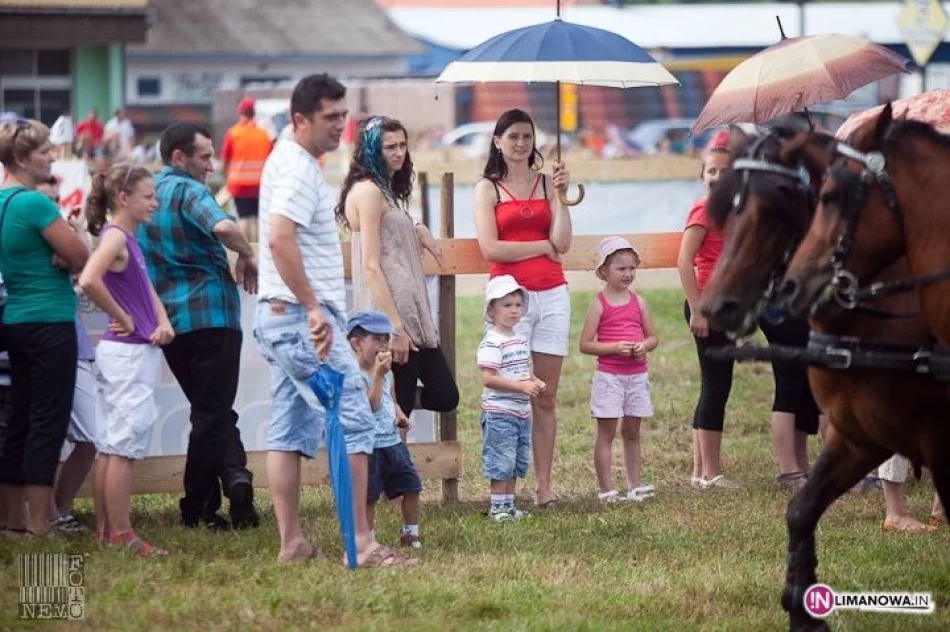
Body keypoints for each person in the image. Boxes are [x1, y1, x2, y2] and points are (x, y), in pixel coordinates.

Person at [254, 73, 416, 567]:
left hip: (278, 317)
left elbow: (277, 238)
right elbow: (281, 238)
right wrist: (311, 307)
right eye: (330, 117)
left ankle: (292, 544)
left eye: (344, 115)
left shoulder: (284, 156)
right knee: (357, 420)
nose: (340, 125)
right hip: (303, 321)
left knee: (286, 430)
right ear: (300, 118)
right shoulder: (300, 169)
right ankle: (363, 546)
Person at [138, 122, 259, 531]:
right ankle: (197, 507)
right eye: (205, 156)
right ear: (179, 158)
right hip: (212, 315)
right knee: (212, 415)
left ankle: (234, 479)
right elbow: (224, 226)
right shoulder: (190, 191)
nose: (212, 164)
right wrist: (247, 254)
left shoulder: (147, 194)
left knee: (210, 411)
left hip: (169, 321)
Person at [473, 108, 572, 508]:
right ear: (498, 142)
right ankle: (503, 487)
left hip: (552, 295)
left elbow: (562, 242)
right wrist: (541, 246)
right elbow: (491, 248)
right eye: (512, 136)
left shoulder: (548, 183)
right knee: (511, 393)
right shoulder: (488, 188)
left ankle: (544, 486)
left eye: (527, 137)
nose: (520, 143)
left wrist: (562, 198)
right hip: (510, 299)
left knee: (544, 395)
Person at [0, 119, 89, 538]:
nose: (53, 156)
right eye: (45, 151)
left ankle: (13, 521)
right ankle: (40, 524)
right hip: (49, 320)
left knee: (19, 420)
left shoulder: (3, 201)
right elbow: (82, 255)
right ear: (21, 158)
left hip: (15, 319)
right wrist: (68, 241)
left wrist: (61, 249)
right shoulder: (36, 204)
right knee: (46, 423)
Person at [78, 164, 173, 556]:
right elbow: (88, 279)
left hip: (132, 351)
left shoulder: (124, 238)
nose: (155, 202)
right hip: (129, 355)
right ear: (124, 199)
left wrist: (161, 318)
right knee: (122, 447)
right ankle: (120, 533)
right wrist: (121, 316)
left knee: (112, 445)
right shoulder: (116, 238)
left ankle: (107, 531)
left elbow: (144, 286)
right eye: (148, 196)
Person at [337, 116, 458, 418]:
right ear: (370, 151)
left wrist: (417, 226)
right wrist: (394, 328)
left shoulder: (384, 189)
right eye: (390, 147)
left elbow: (388, 229)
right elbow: (370, 265)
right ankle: (379, 423)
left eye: (402, 145)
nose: (399, 152)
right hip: (391, 312)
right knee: (399, 406)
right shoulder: (367, 191)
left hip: (413, 310)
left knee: (444, 394)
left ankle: (378, 404)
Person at [36, 176, 98, 534]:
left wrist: (75, 236)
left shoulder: (66, 237)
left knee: (92, 437)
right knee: (43, 436)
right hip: (36, 342)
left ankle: (59, 509)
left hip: (74, 345)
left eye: (56, 200)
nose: (54, 209)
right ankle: (44, 516)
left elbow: (87, 270)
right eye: (47, 202)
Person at [579, 237, 658, 503]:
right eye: (621, 269)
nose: (627, 274)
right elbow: (586, 344)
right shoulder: (598, 304)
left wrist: (642, 346)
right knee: (607, 433)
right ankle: (607, 490)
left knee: (633, 432)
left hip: (637, 377)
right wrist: (615, 348)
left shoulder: (640, 303)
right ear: (604, 271)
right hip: (610, 378)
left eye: (631, 269)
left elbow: (652, 338)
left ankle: (635, 485)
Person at [347, 310, 423, 550]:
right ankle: (368, 539)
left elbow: (391, 401)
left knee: (411, 487)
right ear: (356, 343)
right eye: (376, 339)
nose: (383, 345)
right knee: (367, 497)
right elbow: (369, 406)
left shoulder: (387, 372)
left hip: (392, 443)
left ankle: (410, 533)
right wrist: (378, 375)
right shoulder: (354, 376)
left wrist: (400, 416)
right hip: (369, 448)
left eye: (385, 339)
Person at [477, 275, 543, 522]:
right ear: (491, 310)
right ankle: (497, 507)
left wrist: (533, 381)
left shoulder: (518, 339)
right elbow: (488, 378)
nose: (514, 310)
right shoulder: (492, 342)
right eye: (507, 305)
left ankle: (509, 504)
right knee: (501, 460)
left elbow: (523, 370)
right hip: (499, 412)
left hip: (520, 411)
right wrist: (521, 387)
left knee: (515, 460)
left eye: (517, 305)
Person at [221, 97, 272, 243]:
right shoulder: (263, 134)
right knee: (256, 219)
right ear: (254, 112)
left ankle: (245, 252)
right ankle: (258, 249)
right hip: (259, 184)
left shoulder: (233, 133)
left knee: (243, 218)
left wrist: (227, 177)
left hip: (238, 184)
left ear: (240, 112)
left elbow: (225, 159)